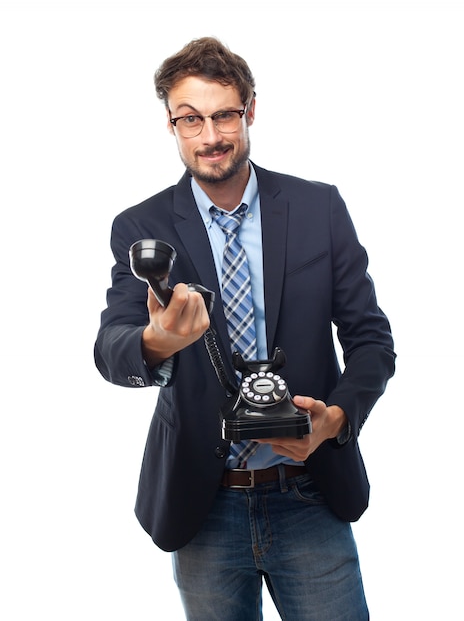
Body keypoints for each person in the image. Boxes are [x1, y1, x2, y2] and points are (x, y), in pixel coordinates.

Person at [94, 37, 396, 620]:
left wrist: (334, 421)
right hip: (203, 499)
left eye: (224, 114)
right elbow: (112, 348)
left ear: (250, 109)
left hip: (309, 487)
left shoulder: (318, 207)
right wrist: (158, 343)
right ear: (171, 124)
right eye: (191, 119)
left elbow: (371, 342)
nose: (210, 137)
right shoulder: (142, 225)